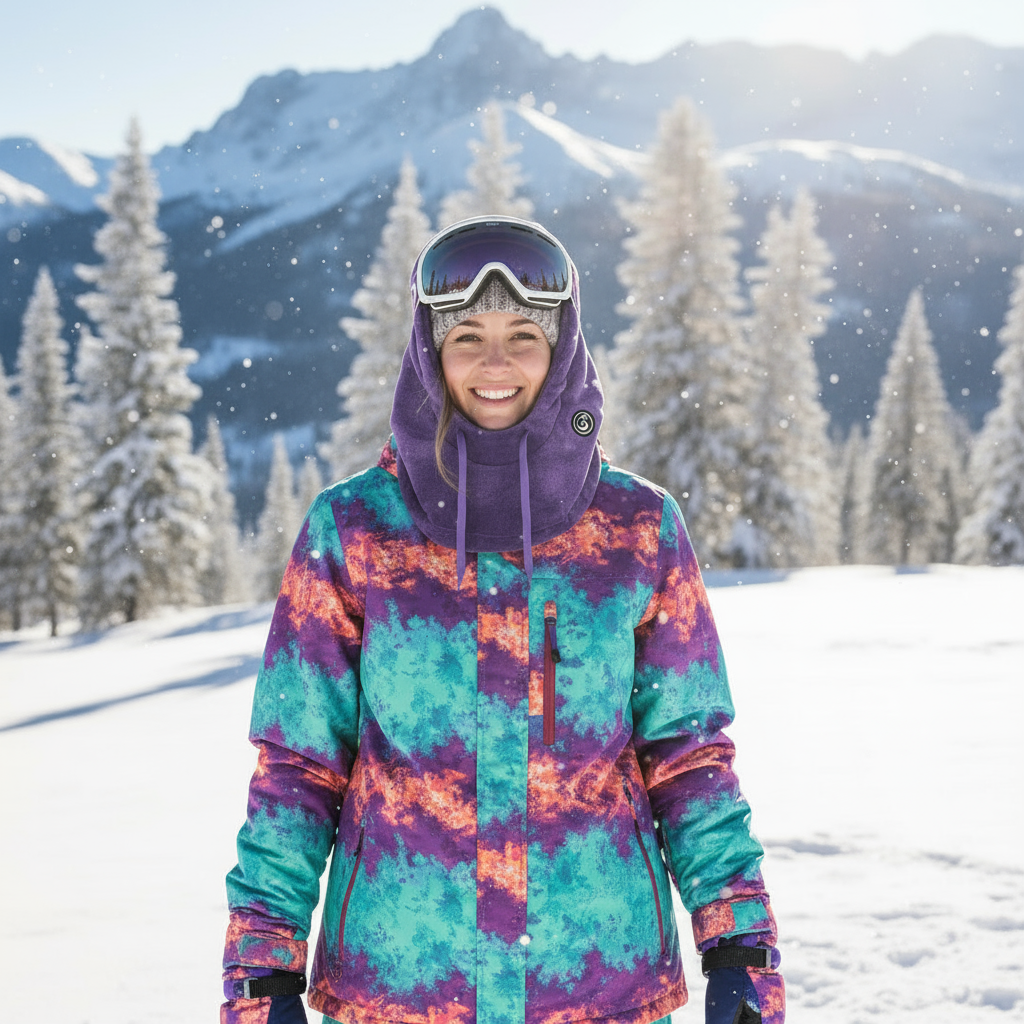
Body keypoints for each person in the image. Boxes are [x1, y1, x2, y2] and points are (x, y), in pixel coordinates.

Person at [220, 216, 786, 1024]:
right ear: (430, 352)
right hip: (399, 991)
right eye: (468, 338)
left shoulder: (635, 528)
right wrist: (261, 971)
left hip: (602, 991)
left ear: (563, 346)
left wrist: (740, 947)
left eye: (524, 334)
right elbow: (297, 772)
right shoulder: (353, 530)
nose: (497, 363)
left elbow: (689, 759)